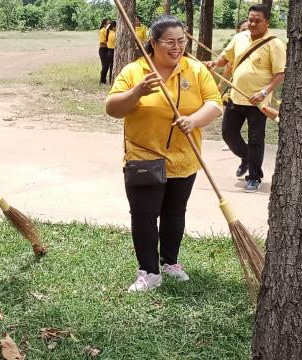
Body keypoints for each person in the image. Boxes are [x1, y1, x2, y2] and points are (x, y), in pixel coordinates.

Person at [105, 15, 222, 292]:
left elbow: (215, 104)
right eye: (169, 41)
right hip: (143, 157)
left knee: (174, 213)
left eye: (181, 41)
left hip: (184, 158)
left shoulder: (195, 70)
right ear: (154, 43)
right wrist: (137, 92)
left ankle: (170, 261)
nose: (176, 47)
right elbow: (112, 108)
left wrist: (193, 120)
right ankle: (149, 271)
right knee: (144, 215)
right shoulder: (136, 71)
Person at [205, 4, 286, 193]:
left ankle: (254, 177)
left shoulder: (275, 44)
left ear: (267, 22)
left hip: (258, 102)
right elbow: (225, 58)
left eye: (257, 20)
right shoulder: (239, 37)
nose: (252, 23)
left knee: (256, 139)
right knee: (228, 133)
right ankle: (248, 159)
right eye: (250, 19)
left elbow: (280, 74)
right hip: (235, 97)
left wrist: (264, 92)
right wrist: (214, 63)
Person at [219, 19, 249, 151]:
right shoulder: (237, 46)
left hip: (256, 93)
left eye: (249, 29)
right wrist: (220, 86)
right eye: (243, 29)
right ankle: (235, 144)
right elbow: (227, 67)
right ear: (238, 31)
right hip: (235, 92)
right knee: (230, 127)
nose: (247, 32)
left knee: (255, 129)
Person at [98, 18, 111, 84]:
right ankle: (102, 80)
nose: (109, 24)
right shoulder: (102, 31)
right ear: (104, 24)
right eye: (108, 23)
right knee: (105, 65)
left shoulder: (110, 31)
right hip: (103, 50)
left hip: (109, 49)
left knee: (109, 65)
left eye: (110, 23)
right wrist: (110, 44)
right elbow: (102, 42)